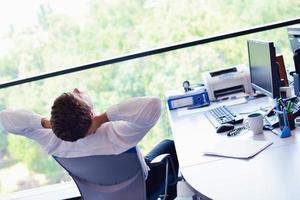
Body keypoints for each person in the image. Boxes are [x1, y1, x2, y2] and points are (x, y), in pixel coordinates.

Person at [0, 88, 179, 199]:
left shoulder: (52, 140)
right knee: (169, 145)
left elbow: (6, 118)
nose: (77, 89)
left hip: (100, 195)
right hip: (142, 191)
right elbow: (153, 105)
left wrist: (48, 124)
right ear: (91, 114)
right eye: (78, 95)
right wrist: (103, 119)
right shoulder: (114, 133)